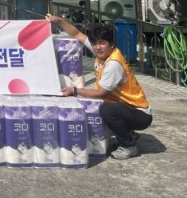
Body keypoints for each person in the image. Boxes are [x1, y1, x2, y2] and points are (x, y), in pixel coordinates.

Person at [46, 14, 152, 160]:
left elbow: (101, 93)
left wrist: (74, 90)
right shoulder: (103, 52)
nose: (97, 47)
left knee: (106, 110)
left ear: (111, 44)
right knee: (100, 107)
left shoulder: (113, 64)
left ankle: (129, 145)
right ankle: (128, 134)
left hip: (139, 113)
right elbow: (77, 34)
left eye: (102, 43)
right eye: (94, 43)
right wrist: (59, 21)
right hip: (126, 107)